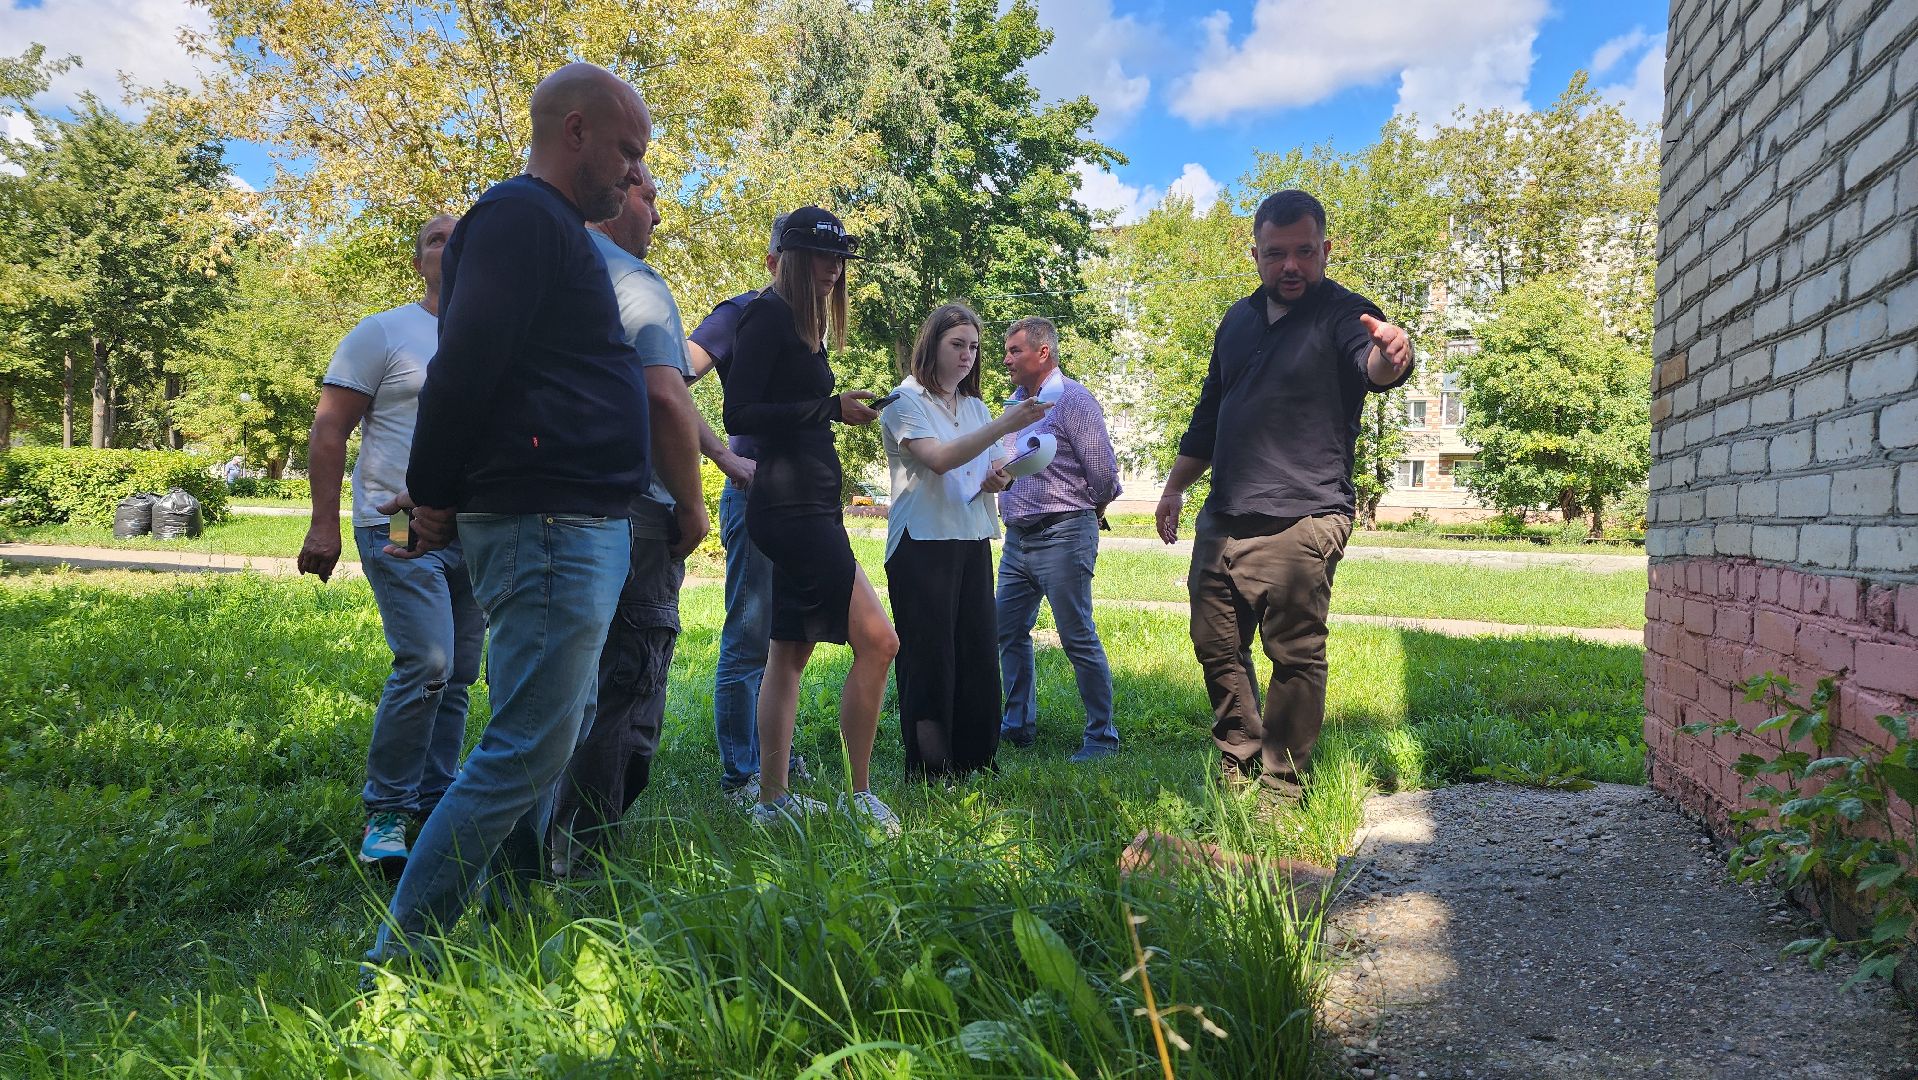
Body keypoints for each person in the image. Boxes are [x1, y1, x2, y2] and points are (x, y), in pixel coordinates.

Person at [363, 62, 654, 969]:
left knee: (544, 726)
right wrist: (437, 492)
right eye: (626, 149)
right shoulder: (522, 217)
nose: (633, 171)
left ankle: (516, 910)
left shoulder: (547, 228)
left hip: (566, 522)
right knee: (530, 740)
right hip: (549, 525)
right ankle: (401, 958)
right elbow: (463, 366)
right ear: (574, 130)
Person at [1154, 189, 1413, 802]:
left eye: (1304, 252)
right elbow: (1211, 411)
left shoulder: (1347, 316)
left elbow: (1374, 368)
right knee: (1215, 646)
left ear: (1326, 249)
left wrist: (1391, 357)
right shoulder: (1238, 320)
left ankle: (1280, 786)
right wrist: (1173, 488)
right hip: (1223, 515)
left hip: (1304, 516)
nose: (1290, 265)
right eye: (1276, 254)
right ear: (1256, 255)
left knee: (1293, 655)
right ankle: (1238, 758)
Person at [296, 212, 485, 879]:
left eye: (461, 238)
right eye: (436, 239)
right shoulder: (383, 333)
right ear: (418, 261)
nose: (450, 247)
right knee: (427, 660)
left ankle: (435, 802)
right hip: (397, 519)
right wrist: (323, 525)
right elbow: (329, 430)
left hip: (475, 528)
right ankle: (387, 811)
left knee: (461, 671)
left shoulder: (492, 335)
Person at [545, 164, 709, 874]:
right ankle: (585, 857)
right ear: (614, 193)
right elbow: (666, 400)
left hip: (542, 508)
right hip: (635, 510)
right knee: (629, 680)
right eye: (649, 196)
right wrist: (694, 504)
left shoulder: (536, 268)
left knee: (551, 685)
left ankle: (525, 854)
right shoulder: (633, 282)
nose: (658, 216)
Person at [721, 205, 900, 834]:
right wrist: (827, 407)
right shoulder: (767, 315)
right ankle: (858, 796)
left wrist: (832, 409)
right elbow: (738, 413)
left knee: (788, 652)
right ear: (794, 258)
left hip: (811, 504)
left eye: (840, 257)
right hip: (790, 508)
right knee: (880, 641)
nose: (834, 268)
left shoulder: (805, 325)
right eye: (823, 256)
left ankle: (772, 800)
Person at [880, 304, 1049, 779]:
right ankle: (931, 769)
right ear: (930, 344)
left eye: (974, 347)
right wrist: (1004, 425)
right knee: (930, 658)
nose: (968, 355)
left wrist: (1003, 477)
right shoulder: (902, 400)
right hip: (923, 544)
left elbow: (994, 466)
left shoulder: (975, 406)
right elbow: (938, 459)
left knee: (976, 653)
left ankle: (976, 759)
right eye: (957, 344)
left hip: (972, 537)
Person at [684, 214, 813, 806]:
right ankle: (741, 773)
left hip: (801, 501)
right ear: (772, 262)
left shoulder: (808, 326)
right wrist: (718, 454)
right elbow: (667, 378)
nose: (822, 273)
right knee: (750, 635)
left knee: (788, 634)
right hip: (754, 494)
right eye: (803, 258)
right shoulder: (737, 314)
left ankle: (773, 757)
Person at [995, 316, 1124, 762]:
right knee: (1006, 631)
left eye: (1015, 351)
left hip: (1064, 533)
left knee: (1076, 635)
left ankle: (1102, 738)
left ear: (1043, 352)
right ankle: (1017, 725)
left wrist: (1087, 515)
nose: (1006, 359)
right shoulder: (1013, 406)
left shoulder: (1073, 401)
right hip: (1017, 541)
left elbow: (1104, 474)